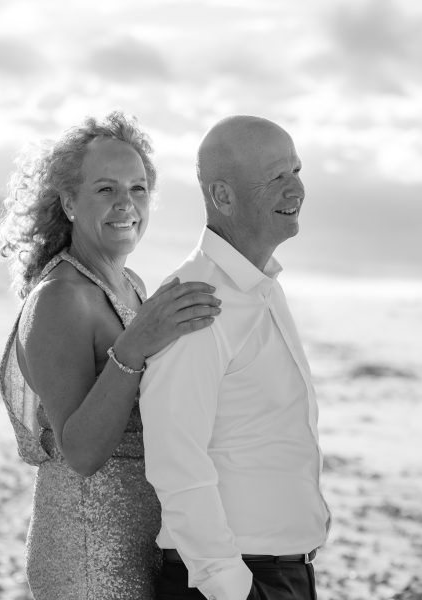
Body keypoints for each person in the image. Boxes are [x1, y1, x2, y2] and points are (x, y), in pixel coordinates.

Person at [0, 111, 222, 600]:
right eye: (105, 190)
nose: (126, 204)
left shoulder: (131, 284)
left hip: (144, 538)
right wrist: (136, 344)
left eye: (138, 189)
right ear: (70, 201)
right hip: (88, 547)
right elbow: (81, 452)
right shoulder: (60, 297)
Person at [139, 116, 331, 600]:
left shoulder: (262, 286)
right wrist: (232, 588)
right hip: (232, 582)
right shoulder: (196, 298)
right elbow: (176, 458)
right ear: (223, 197)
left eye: (297, 170)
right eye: (277, 177)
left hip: (279, 575)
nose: (298, 189)